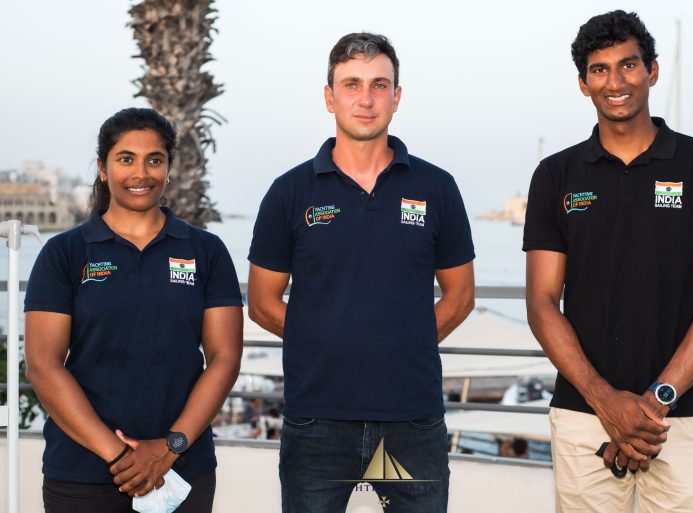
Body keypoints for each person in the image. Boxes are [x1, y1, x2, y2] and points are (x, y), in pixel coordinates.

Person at [524, 10, 693, 513]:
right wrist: (605, 402)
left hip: (680, 417)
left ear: (653, 71)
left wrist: (653, 404)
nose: (615, 82)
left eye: (628, 65)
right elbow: (540, 302)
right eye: (599, 70)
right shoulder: (555, 175)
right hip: (583, 417)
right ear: (583, 83)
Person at [248, 33, 475, 513]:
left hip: (413, 418)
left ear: (397, 96)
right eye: (351, 84)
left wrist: (404, 343)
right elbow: (263, 302)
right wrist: (327, 342)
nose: (366, 99)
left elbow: (460, 296)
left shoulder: (438, 187)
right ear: (329, 97)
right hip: (316, 418)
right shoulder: (288, 192)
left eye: (379, 85)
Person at [24, 108, 244, 513]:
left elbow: (224, 357)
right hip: (82, 473)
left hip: (182, 470)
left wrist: (170, 447)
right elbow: (42, 364)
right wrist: (122, 456)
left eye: (154, 160)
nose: (141, 173)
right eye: (126, 159)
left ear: (169, 169)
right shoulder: (64, 253)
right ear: (102, 168)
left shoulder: (206, 251)